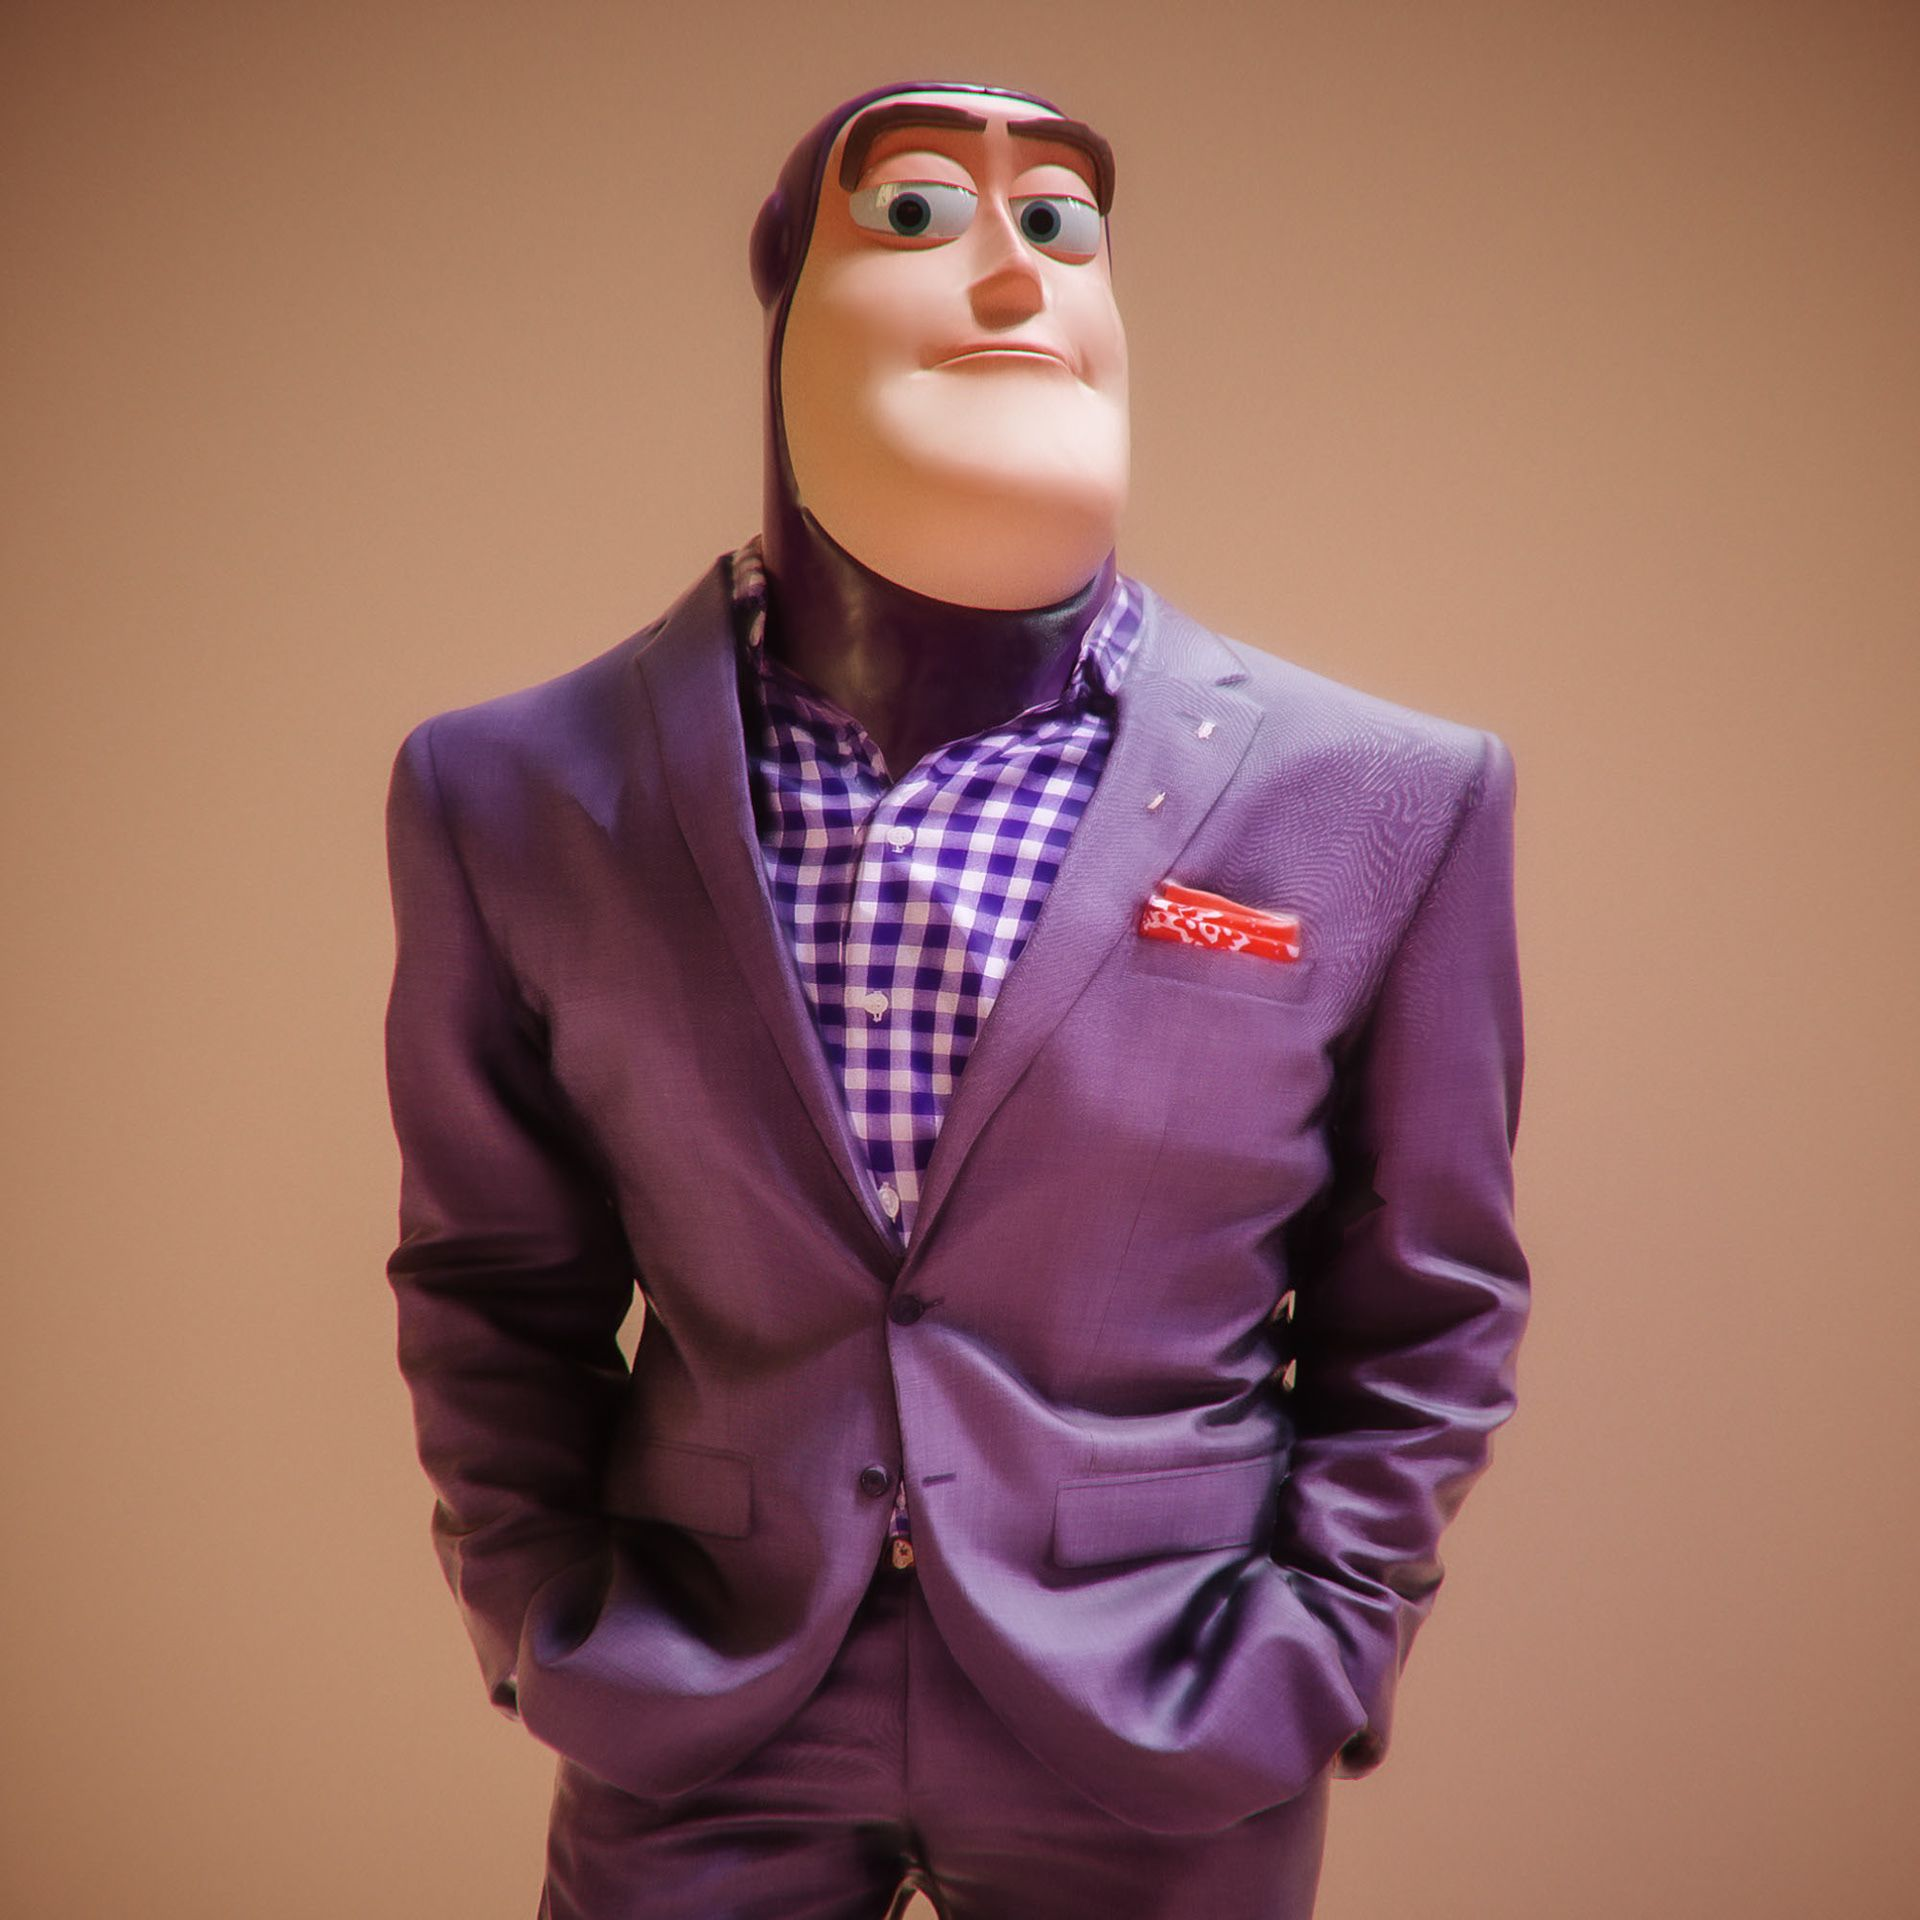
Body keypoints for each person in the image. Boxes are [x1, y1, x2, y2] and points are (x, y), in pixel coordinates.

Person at [382, 77, 1530, 1920]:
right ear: (788, 309)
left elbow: (1431, 1292)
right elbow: (493, 1277)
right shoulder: (512, 788)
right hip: (703, 1694)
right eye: (919, 210)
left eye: (1062, 223)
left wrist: (1329, 1636)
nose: (1014, 273)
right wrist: (537, 1614)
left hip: (1166, 1699)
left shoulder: (1384, 797)